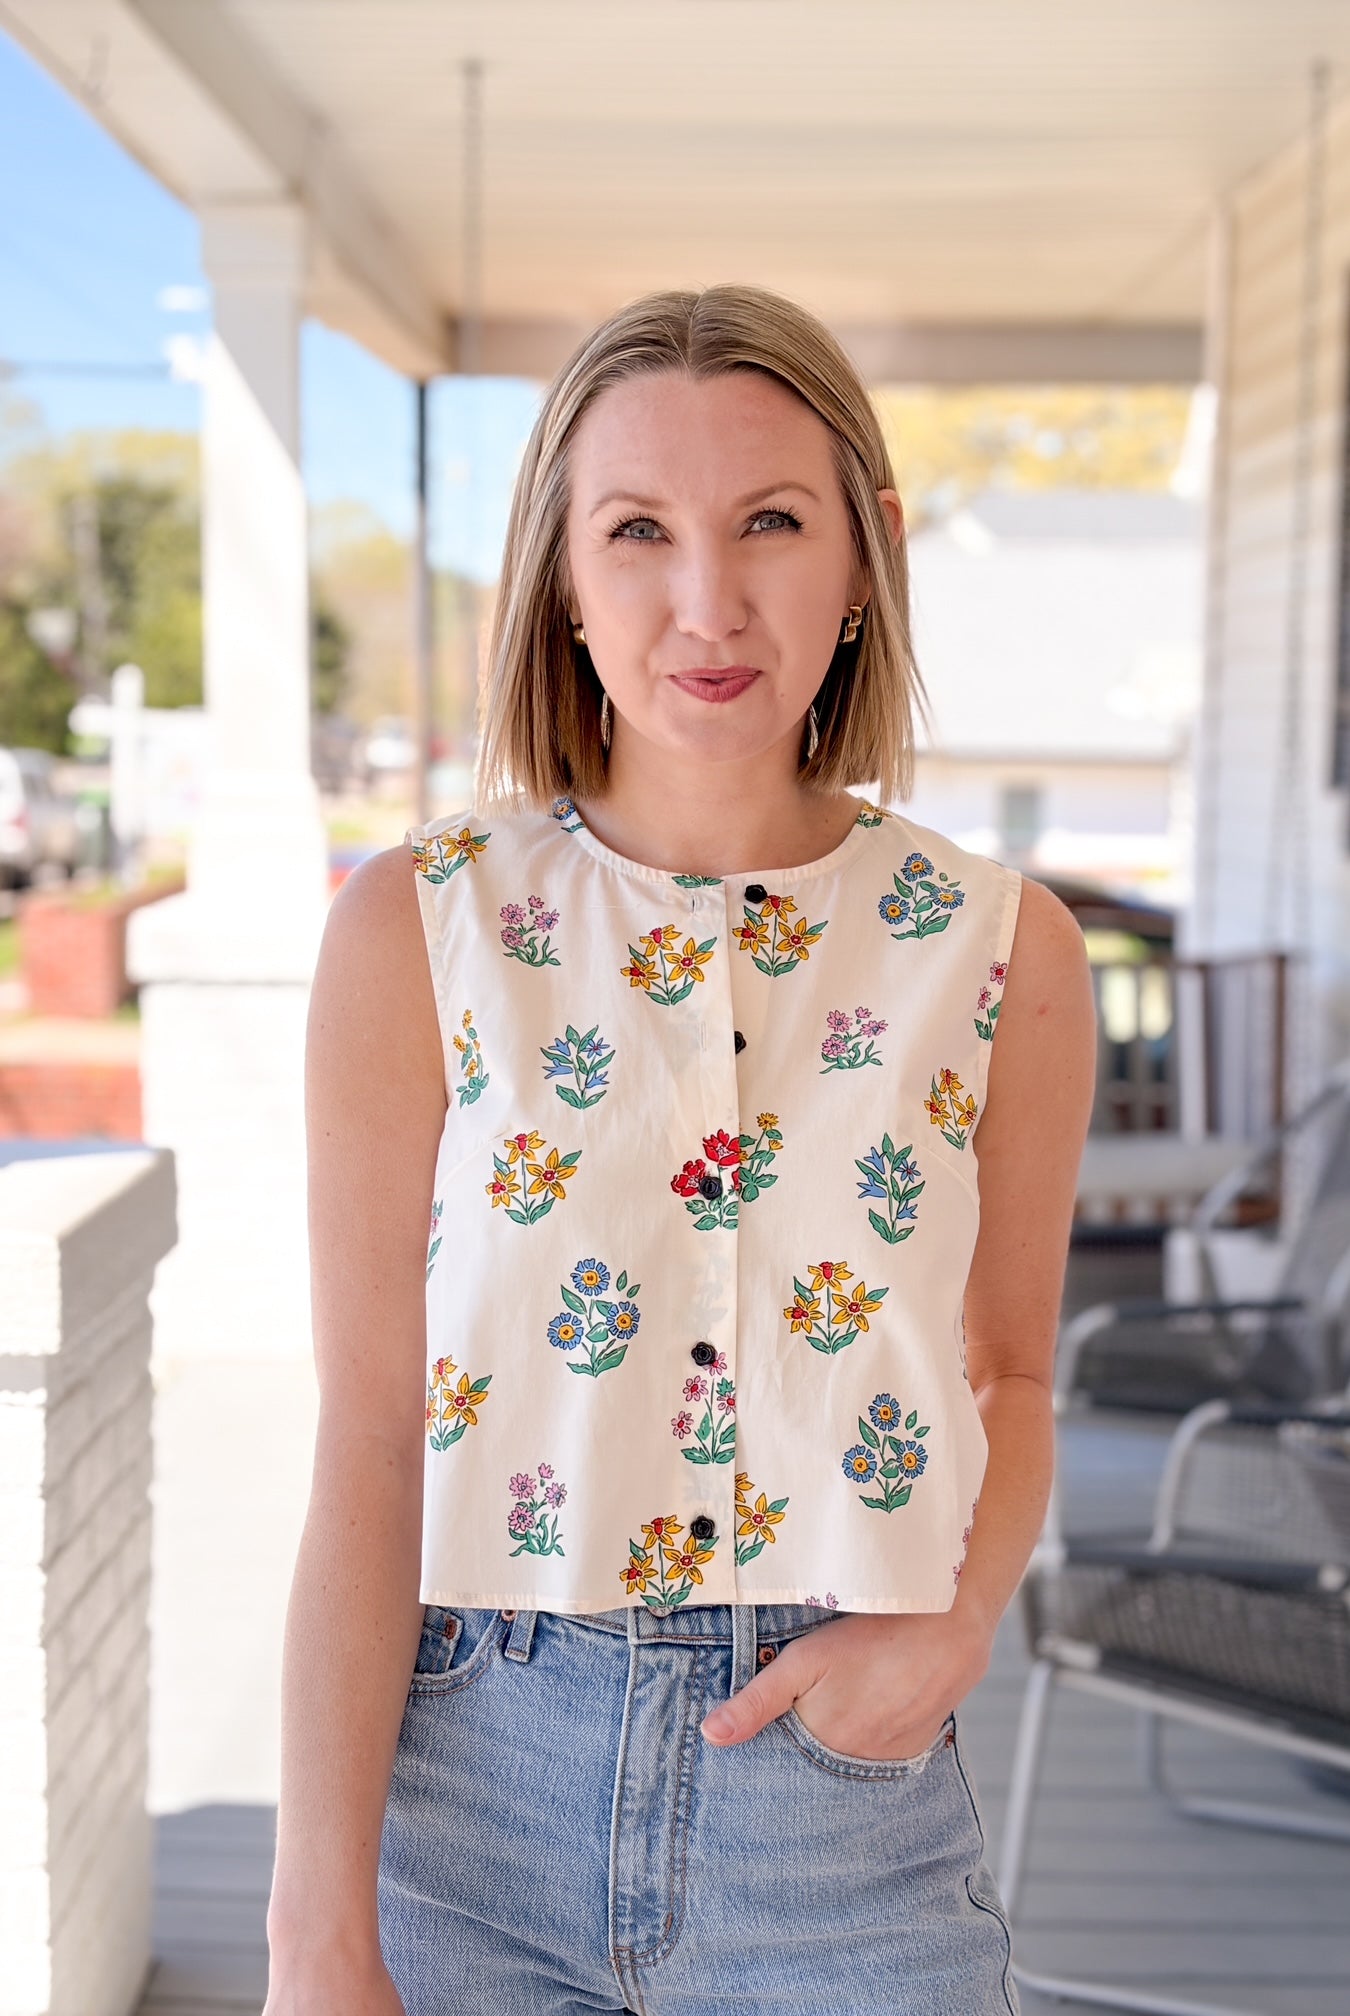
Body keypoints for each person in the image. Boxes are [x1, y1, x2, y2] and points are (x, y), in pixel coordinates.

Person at [262, 283, 1096, 2016]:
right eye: (635, 530)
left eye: (769, 524)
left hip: (840, 1806)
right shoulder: (416, 932)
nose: (705, 602)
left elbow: (1012, 1373)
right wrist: (313, 1930)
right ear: (560, 576)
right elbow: (371, 1434)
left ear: (863, 556)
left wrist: (953, 1626)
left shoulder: (999, 946)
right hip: (467, 1784)